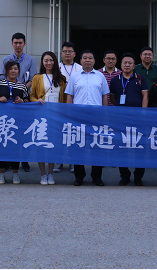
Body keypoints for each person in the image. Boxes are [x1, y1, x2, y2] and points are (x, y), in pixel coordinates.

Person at [65, 49, 109, 186]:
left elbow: (105, 96)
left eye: (90, 58)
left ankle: (97, 176)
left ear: (94, 61)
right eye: (85, 58)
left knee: (97, 147)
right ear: (80, 61)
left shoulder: (100, 76)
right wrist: (70, 114)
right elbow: (69, 96)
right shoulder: (75, 76)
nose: (87, 60)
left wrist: (105, 114)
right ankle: (79, 176)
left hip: (97, 116)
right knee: (79, 146)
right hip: (78, 116)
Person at [0, 32, 37, 173]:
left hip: (24, 100)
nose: (18, 45)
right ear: (12, 44)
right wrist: (11, 88)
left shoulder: (30, 60)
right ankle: (9, 161)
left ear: (24, 44)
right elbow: (1, 76)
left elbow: (33, 78)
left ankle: (24, 161)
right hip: (8, 101)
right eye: (15, 43)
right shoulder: (6, 59)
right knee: (9, 129)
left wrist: (21, 89)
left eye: (20, 43)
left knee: (23, 131)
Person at [110, 53, 149, 186]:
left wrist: (143, 113)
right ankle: (125, 176)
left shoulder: (140, 78)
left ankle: (138, 177)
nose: (127, 65)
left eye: (130, 63)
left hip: (137, 119)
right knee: (122, 147)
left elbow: (145, 96)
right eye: (125, 63)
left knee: (140, 147)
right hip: (121, 119)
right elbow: (113, 98)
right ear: (120, 65)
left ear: (134, 65)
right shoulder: (115, 80)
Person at [30, 51, 67, 184]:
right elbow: (32, 95)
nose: (49, 63)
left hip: (56, 116)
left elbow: (64, 98)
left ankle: (50, 173)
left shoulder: (61, 79)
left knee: (53, 145)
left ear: (55, 62)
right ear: (42, 62)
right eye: (46, 60)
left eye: (51, 60)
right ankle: (42, 174)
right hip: (41, 116)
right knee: (41, 145)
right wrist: (37, 100)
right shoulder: (37, 77)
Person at [0, 60, 29, 184]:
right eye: (11, 69)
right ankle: (1, 173)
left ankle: (15, 173)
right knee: (2, 146)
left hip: (16, 121)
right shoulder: (0, 84)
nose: (13, 71)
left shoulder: (22, 86)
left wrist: (21, 101)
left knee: (15, 147)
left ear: (19, 71)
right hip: (2, 121)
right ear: (6, 70)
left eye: (16, 69)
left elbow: (27, 100)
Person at [56, 41, 82, 174]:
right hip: (59, 106)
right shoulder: (56, 67)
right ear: (61, 54)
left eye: (70, 51)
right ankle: (59, 161)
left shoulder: (80, 68)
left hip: (75, 106)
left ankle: (73, 161)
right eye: (65, 51)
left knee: (74, 134)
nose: (67, 54)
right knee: (59, 134)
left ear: (74, 54)